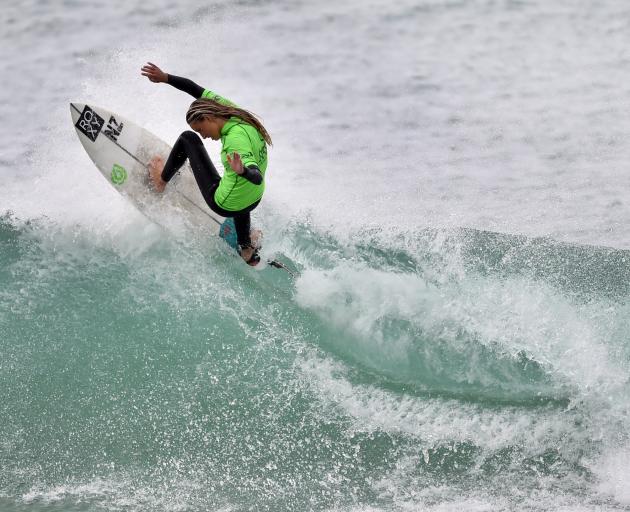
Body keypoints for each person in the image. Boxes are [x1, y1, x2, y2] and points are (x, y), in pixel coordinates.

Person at [140, 62, 272, 265]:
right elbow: (194, 89)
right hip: (254, 198)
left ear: (209, 117)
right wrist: (165, 77)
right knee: (237, 186)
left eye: (201, 129)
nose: (204, 136)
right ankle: (246, 247)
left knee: (187, 139)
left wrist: (243, 170)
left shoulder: (235, 140)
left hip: (225, 203)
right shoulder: (232, 111)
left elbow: (255, 175)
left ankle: (160, 180)